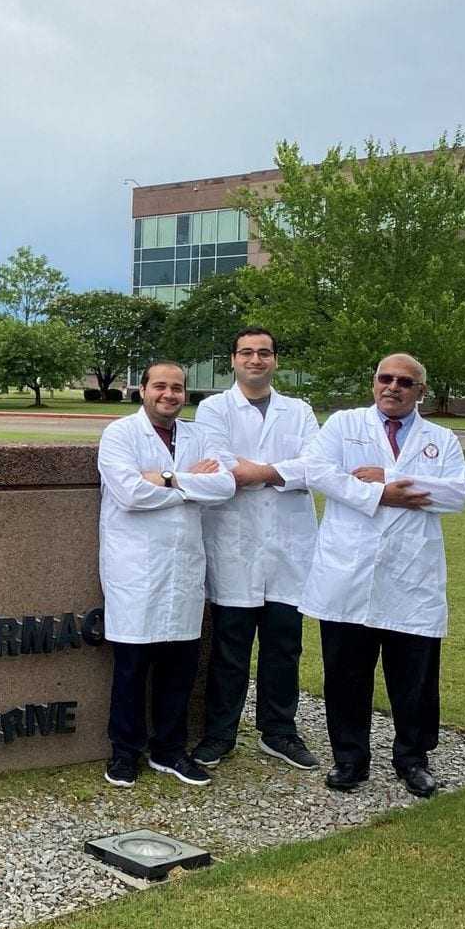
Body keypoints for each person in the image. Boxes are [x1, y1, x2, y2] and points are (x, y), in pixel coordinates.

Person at [301, 353, 465, 798]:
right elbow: (319, 472)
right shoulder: (343, 425)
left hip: (411, 578)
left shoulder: (442, 439)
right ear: (373, 382)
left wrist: (391, 475)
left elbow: (456, 494)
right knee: (345, 674)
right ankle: (349, 760)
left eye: (405, 382)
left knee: (413, 679)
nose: (392, 387)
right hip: (348, 572)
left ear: (421, 391)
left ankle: (413, 759)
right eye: (384, 378)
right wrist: (382, 495)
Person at [97, 360, 237, 788]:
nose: (169, 394)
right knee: (131, 668)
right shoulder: (119, 434)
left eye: (177, 387)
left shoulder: (199, 435)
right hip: (135, 568)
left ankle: (170, 751)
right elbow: (129, 493)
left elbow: (226, 486)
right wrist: (190, 485)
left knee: (180, 666)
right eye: (160, 386)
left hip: (184, 566)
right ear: (142, 390)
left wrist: (170, 478)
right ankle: (124, 753)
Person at [191, 328, 322, 771]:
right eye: (246, 352)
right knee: (231, 647)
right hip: (235, 541)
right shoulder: (213, 408)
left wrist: (258, 471)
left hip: (288, 546)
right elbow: (219, 465)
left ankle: (279, 731)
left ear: (275, 361)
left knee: (284, 645)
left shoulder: (299, 410)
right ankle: (220, 733)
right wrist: (281, 474)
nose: (255, 360)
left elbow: (316, 466)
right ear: (233, 360)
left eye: (264, 353)